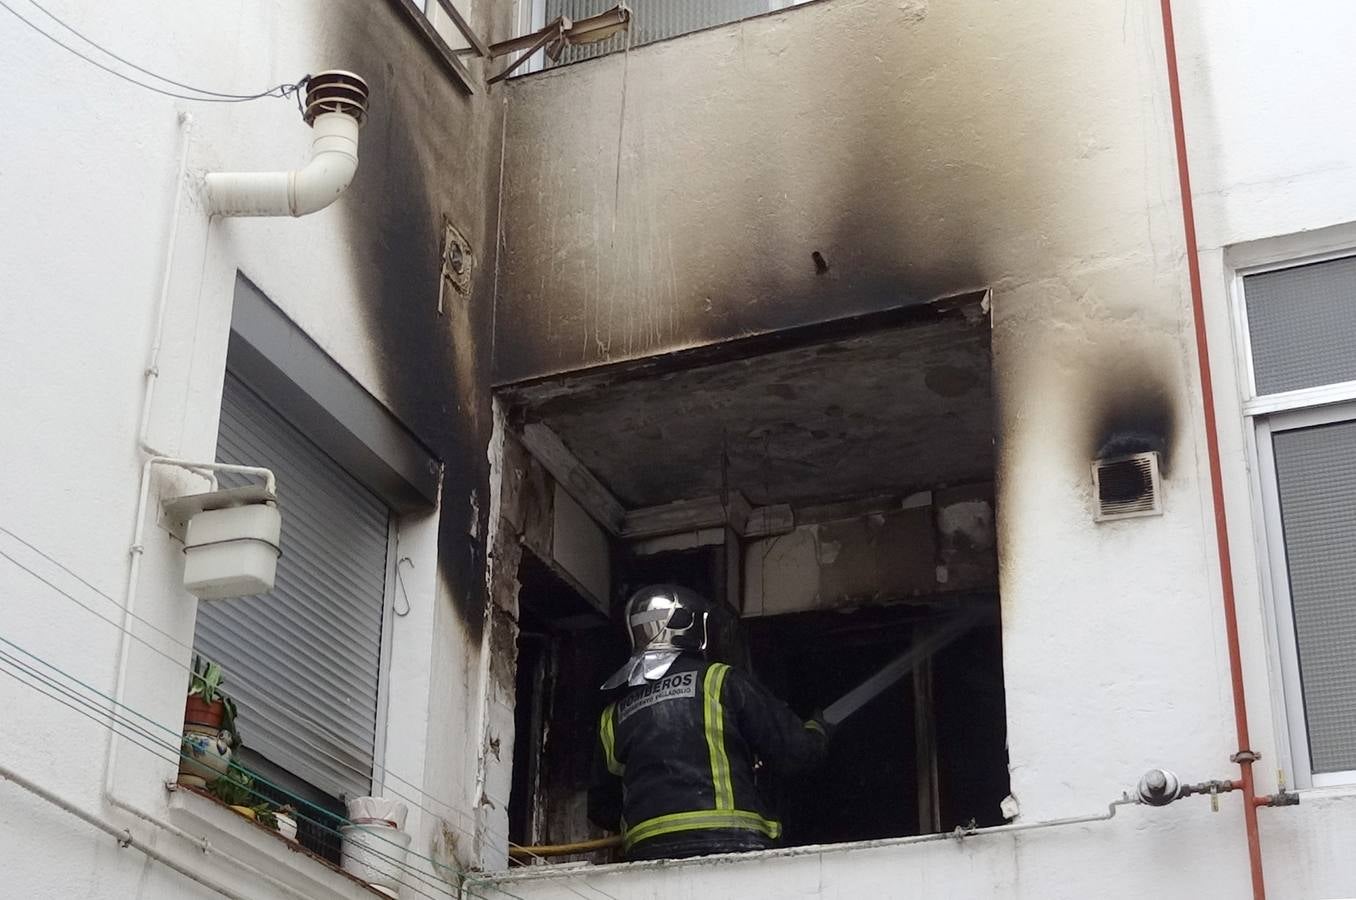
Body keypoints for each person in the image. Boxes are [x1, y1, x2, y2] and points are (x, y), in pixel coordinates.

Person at [588, 584, 829, 861]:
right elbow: (796, 754)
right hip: (732, 842)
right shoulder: (721, 681)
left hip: (647, 853)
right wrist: (818, 729)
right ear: (692, 626)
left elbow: (601, 808)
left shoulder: (614, 715)